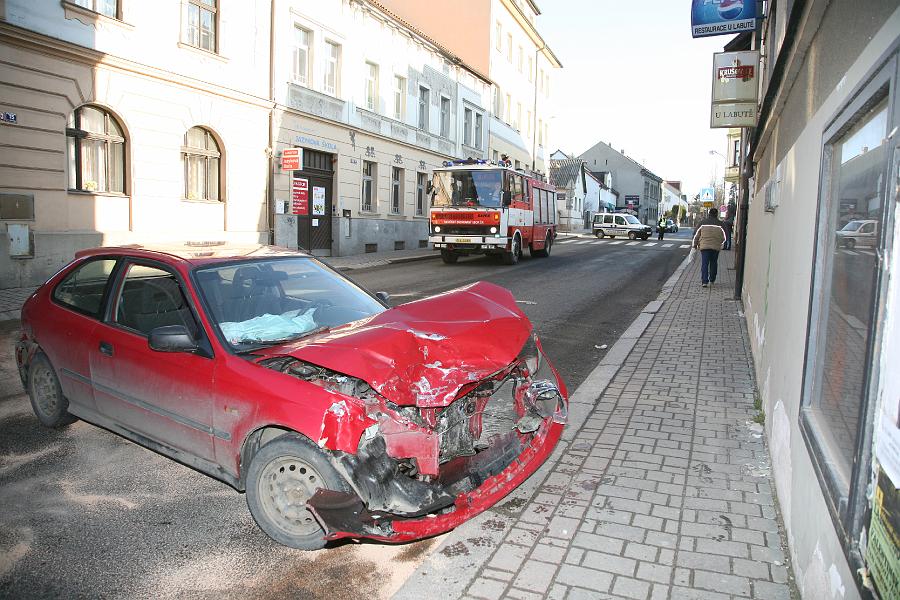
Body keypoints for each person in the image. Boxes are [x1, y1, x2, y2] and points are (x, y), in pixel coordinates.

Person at [692, 208, 726, 288]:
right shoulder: (721, 224)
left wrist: (695, 245)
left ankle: (704, 281)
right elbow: (725, 236)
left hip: (704, 247)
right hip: (715, 247)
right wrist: (721, 243)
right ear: (716, 214)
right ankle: (712, 279)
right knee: (714, 262)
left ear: (709, 214)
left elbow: (696, 235)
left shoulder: (702, 223)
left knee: (705, 263)